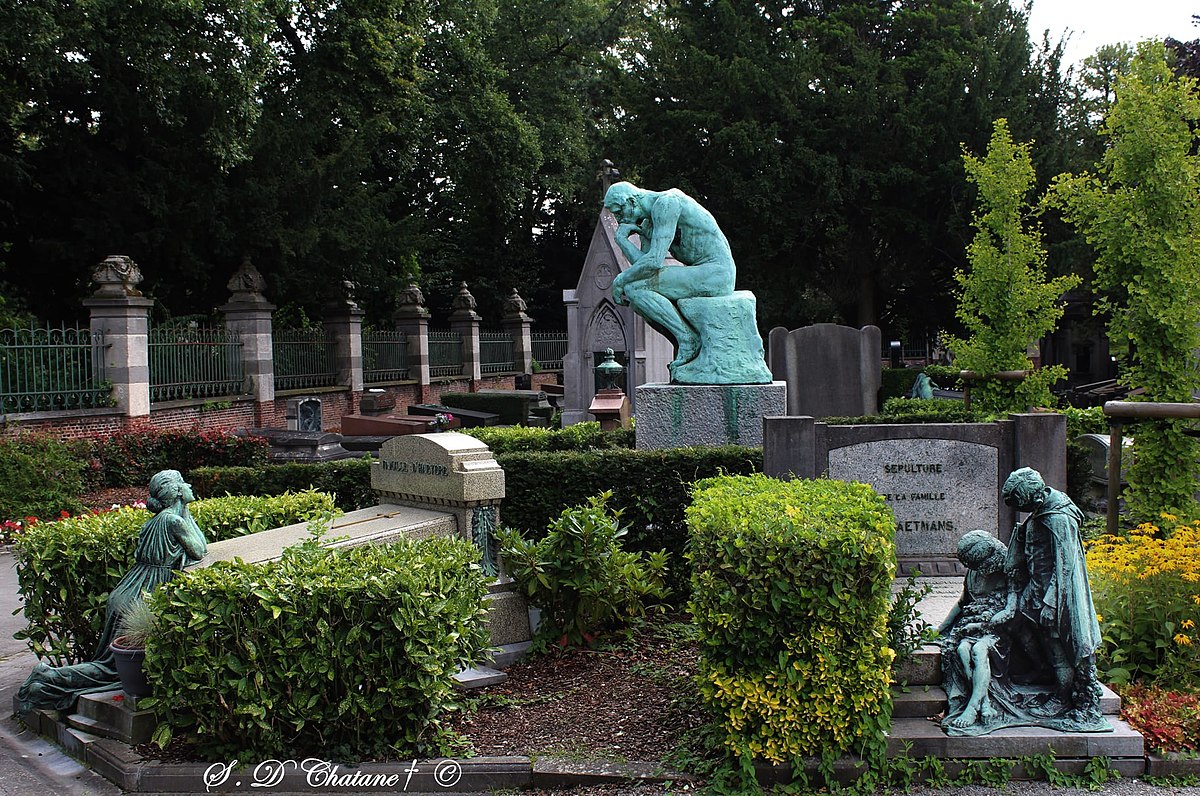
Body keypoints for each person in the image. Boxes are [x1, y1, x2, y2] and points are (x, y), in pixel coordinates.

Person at [18, 470, 208, 712]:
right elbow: (199, 550)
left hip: (129, 588)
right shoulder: (173, 521)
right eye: (184, 483)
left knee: (109, 664)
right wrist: (185, 512)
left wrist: (185, 508)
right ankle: (49, 677)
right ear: (177, 491)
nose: (190, 485)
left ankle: (53, 677)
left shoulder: (159, 519)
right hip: (142, 593)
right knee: (111, 669)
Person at [996, 466, 1107, 728]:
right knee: (1017, 624)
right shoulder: (1042, 511)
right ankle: (1042, 669)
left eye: (1021, 504)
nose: (1022, 510)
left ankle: (1062, 695)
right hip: (1035, 590)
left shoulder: (1058, 518)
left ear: (1034, 497)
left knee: (1057, 646)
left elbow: (1065, 564)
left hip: (1054, 597)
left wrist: (1050, 602)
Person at [602, 182, 736, 375]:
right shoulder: (649, 222)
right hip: (701, 272)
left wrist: (620, 280)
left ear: (630, 202)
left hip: (717, 273)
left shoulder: (667, 203)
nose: (619, 219)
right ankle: (685, 338)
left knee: (633, 288)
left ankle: (688, 340)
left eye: (619, 212)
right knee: (634, 289)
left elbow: (654, 262)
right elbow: (644, 266)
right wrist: (622, 241)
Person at [938, 530, 1016, 731]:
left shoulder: (1009, 571)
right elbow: (963, 603)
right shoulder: (974, 572)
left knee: (979, 650)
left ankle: (972, 708)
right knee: (962, 650)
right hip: (973, 628)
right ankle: (985, 702)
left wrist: (983, 625)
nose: (976, 570)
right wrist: (940, 628)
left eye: (978, 566)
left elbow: (1013, 611)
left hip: (1001, 631)